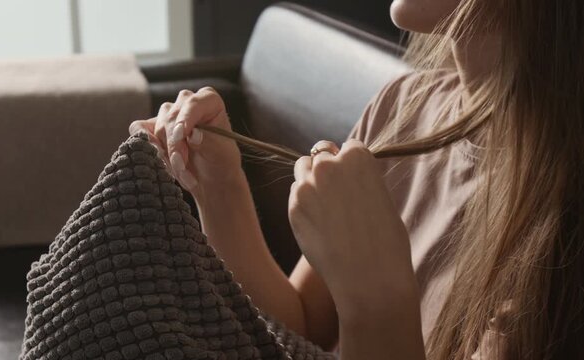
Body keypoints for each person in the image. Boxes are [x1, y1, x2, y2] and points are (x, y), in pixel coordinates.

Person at [129, 0, 584, 358]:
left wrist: (375, 298)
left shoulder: (562, 224)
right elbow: (304, 325)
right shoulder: (404, 105)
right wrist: (219, 187)